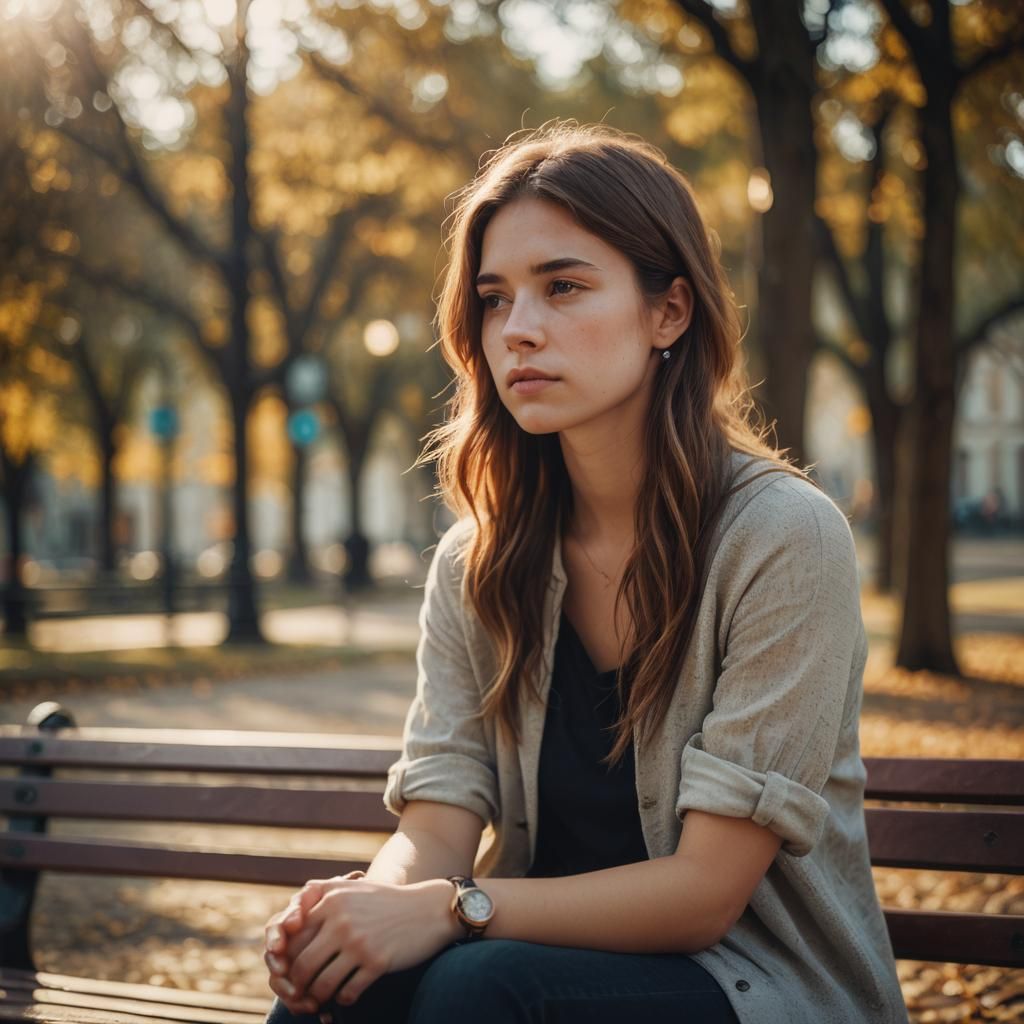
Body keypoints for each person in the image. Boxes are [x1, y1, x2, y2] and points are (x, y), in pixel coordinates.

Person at [261, 121, 907, 1024]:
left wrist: (452, 909)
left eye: (562, 287)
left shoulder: (783, 539)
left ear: (669, 312)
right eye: (494, 299)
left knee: (478, 984)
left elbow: (704, 894)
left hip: (754, 985)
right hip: (527, 966)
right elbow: (436, 825)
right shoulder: (479, 560)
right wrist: (366, 912)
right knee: (341, 991)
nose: (518, 330)